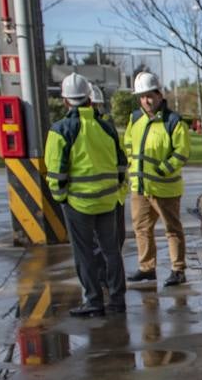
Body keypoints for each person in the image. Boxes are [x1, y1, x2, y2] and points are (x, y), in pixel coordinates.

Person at [45, 72, 129, 318]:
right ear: (89, 99)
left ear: (65, 101)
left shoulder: (61, 130)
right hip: (107, 200)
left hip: (78, 203)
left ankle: (93, 300)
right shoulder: (106, 127)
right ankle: (117, 299)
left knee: (84, 254)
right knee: (111, 252)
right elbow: (121, 164)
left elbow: (56, 171)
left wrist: (61, 198)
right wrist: (116, 191)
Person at [124, 71, 190, 287]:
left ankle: (178, 269)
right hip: (140, 188)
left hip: (165, 190)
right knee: (142, 229)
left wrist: (163, 170)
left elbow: (181, 152)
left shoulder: (173, 121)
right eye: (142, 96)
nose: (146, 100)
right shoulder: (135, 119)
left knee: (172, 229)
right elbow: (128, 145)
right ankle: (146, 268)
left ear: (160, 94)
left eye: (150, 95)